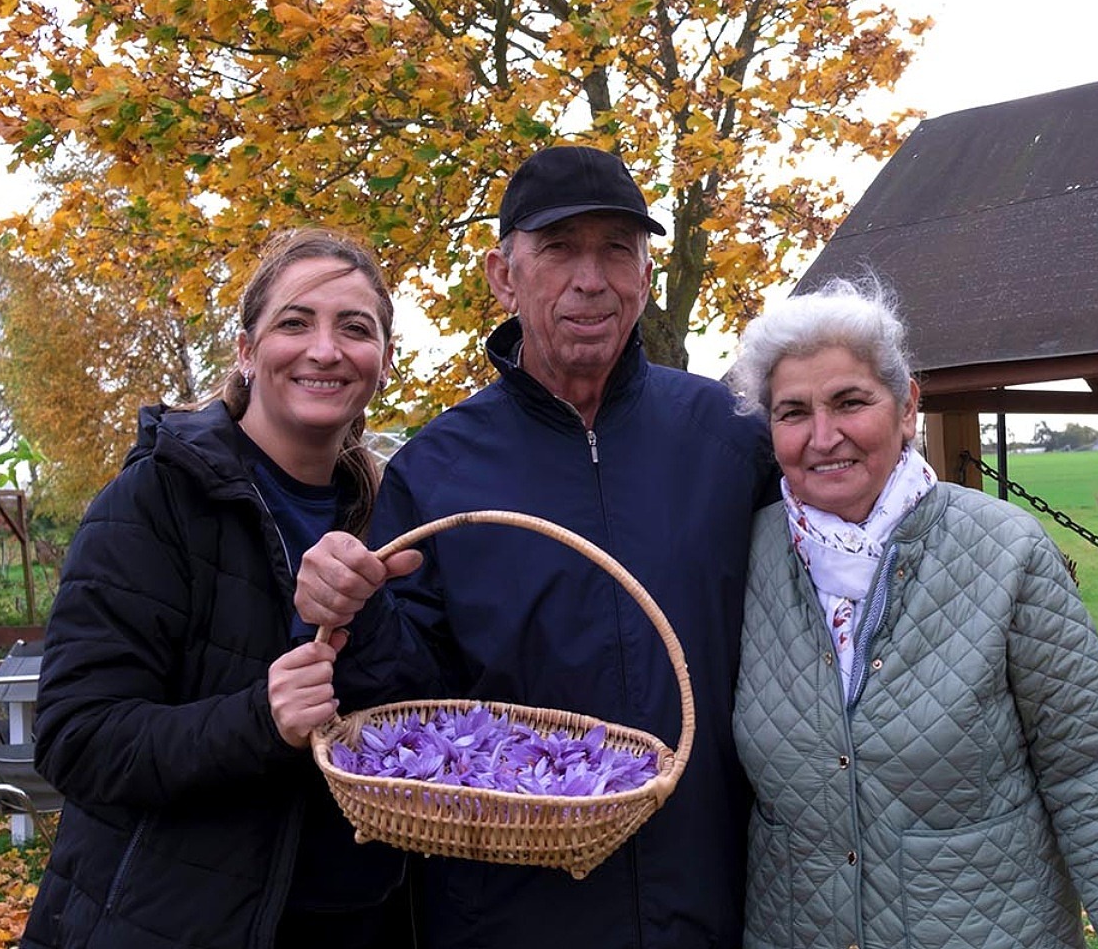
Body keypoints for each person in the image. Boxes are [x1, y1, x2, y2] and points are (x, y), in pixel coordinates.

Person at [294, 145, 778, 948]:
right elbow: (400, 702)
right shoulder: (438, 471)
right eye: (559, 249)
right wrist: (354, 611)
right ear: (502, 275)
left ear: (647, 275)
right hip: (512, 910)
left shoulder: (726, 438)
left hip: (708, 893)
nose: (592, 278)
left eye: (617, 250)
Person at [723, 277, 1098, 949]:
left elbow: (1089, 770)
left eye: (849, 402)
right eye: (793, 412)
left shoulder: (1004, 551)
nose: (824, 436)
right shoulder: (745, 558)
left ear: (907, 406)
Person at [22, 229, 413, 949]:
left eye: (355, 329)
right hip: (170, 923)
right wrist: (259, 720)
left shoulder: (391, 520)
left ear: (384, 363)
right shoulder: (158, 500)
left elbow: (404, 723)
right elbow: (76, 740)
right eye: (294, 323)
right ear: (244, 351)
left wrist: (374, 614)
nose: (324, 350)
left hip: (352, 922)